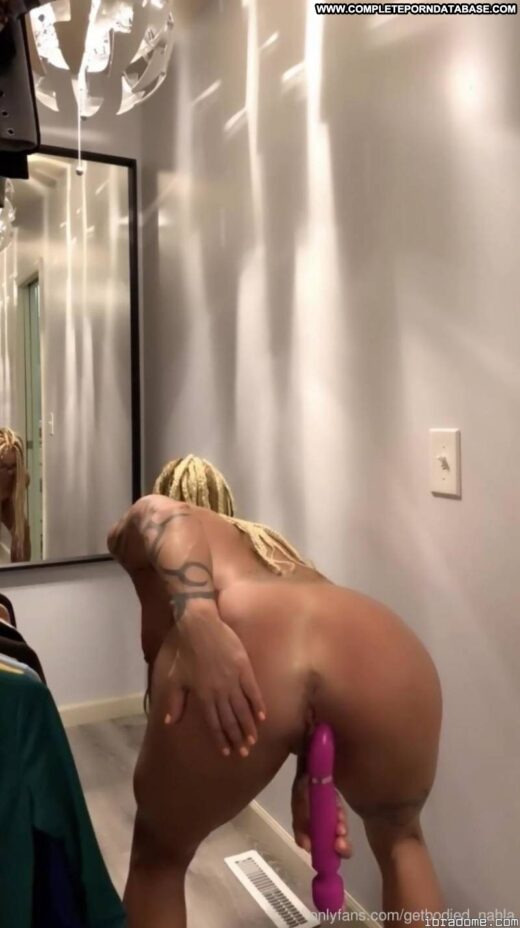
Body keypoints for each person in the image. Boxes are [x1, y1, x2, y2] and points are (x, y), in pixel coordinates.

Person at [108, 455, 443, 928]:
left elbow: (161, 513)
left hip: (257, 644)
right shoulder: (268, 548)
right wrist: (314, 767)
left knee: (158, 859)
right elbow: (311, 659)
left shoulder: (148, 539)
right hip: (379, 638)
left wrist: (201, 619)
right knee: (402, 839)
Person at [0, 427, 31, 563]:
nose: (10, 474)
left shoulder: (18, 521)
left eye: (14, 467)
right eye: (3, 467)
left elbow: (22, 568)